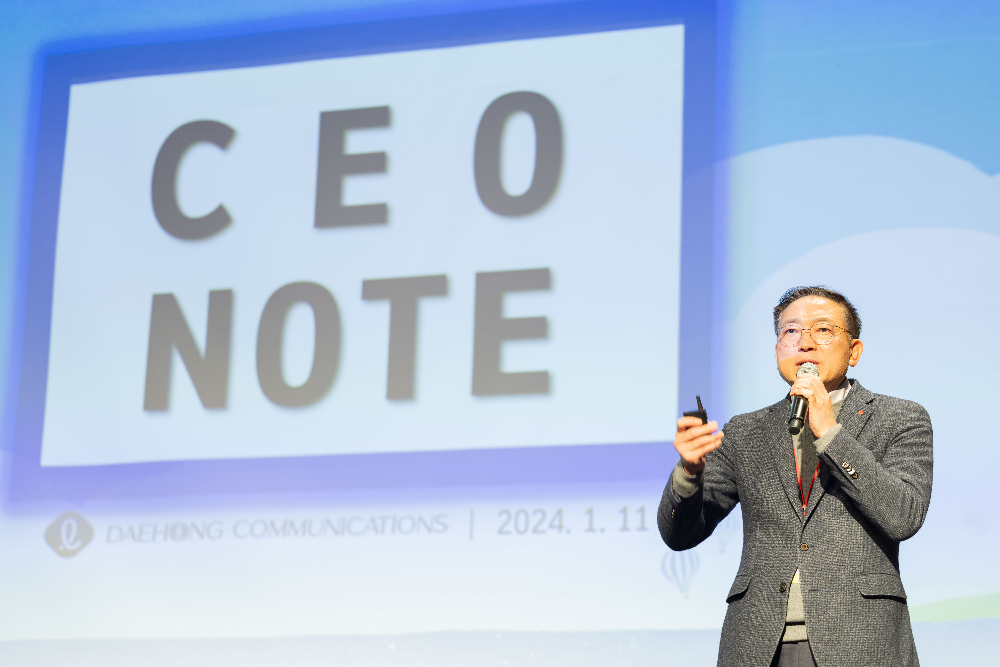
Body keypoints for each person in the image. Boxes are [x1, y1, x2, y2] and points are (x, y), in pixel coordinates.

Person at [657, 286, 932, 667]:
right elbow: (679, 535)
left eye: (823, 330)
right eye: (791, 331)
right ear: (777, 351)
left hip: (860, 640)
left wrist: (831, 434)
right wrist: (689, 472)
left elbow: (903, 516)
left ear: (854, 351)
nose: (805, 343)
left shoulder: (899, 418)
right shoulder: (746, 431)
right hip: (756, 643)